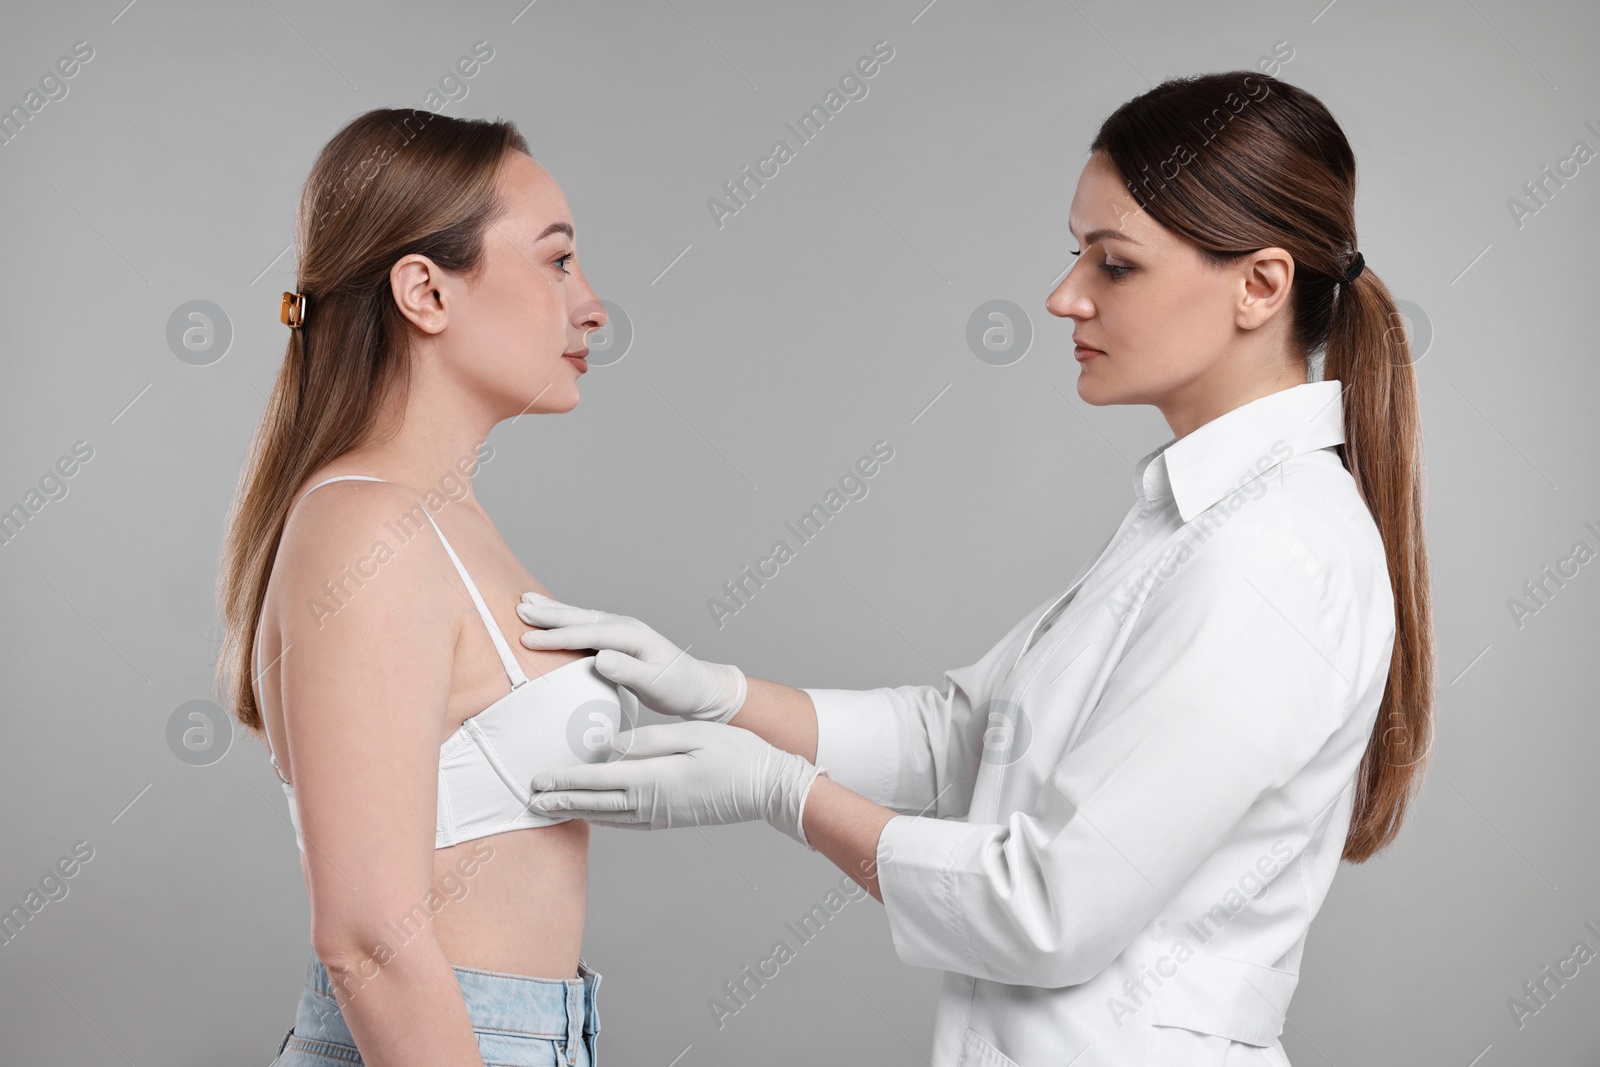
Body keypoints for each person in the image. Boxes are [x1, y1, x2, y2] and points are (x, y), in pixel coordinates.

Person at [507, 71, 1435, 1066]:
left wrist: (782, 793)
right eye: (1075, 253)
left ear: (1259, 284)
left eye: (1112, 264)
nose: (1063, 294)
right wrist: (719, 691)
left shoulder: (1271, 556)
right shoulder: (1188, 524)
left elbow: (1047, 908)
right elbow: (964, 731)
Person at [215, 108, 614, 1065]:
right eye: (557, 260)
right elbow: (366, 937)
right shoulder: (370, 527)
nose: (592, 305)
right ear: (425, 291)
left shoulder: (437, 519)